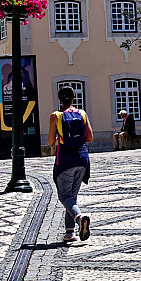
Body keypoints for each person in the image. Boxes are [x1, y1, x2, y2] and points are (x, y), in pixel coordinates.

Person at [50, 84, 91, 242]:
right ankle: (70, 232)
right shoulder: (82, 113)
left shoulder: (56, 116)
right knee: (71, 197)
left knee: (64, 196)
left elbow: (50, 142)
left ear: (59, 99)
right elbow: (90, 138)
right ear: (74, 97)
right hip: (82, 159)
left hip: (65, 160)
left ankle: (80, 219)